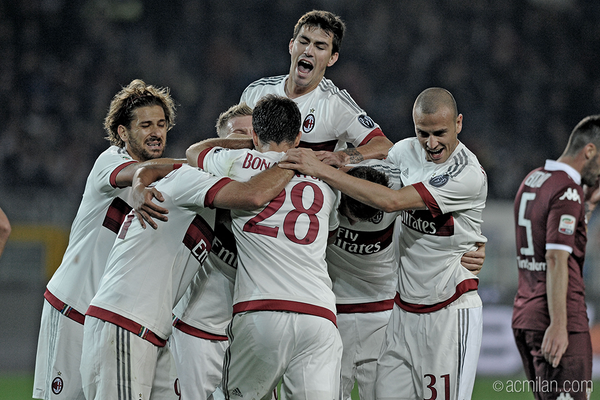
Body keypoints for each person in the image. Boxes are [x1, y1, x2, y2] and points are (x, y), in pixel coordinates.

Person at [280, 87, 488, 400]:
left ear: (458, 123)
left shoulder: (466, 174)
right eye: (423, 133)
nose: (431, 144)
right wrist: (341, 160)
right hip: (402, 314)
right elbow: (374, 174)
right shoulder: (405, 152)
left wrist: (320, 169)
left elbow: (392, 201)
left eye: (440, 133)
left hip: (447, 312)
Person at [80, 131, 295, 398]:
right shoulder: (191, 178)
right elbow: (253, 194)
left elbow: (150, 168)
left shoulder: (195, 183)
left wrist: (138, 184)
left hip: (151, 329)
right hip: (126, 320)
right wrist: (291, 160)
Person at [32, 79, 182, 400]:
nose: (156, 132)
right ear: (123, 132)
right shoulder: (109, 161)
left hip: (108, 320)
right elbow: (138, 174)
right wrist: (204, 162)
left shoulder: (164, 182)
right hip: (73, 308)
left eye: (161, 124)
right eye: (145, 125)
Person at [187, 94, 341, 400]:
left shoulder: (239, 162)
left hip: (263, 310)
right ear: (297, 138)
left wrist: (240, 143)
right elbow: (331, 235)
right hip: (320, 316)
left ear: (256, 135)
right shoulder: (325, 181)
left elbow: (195, 152)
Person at [169, 102, 254, 400]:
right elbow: (168, 167)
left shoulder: (276, 195)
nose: (248, 143)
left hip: (250, 340)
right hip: (197, 333)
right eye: (239, 136)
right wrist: (141, 183)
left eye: (254, 135)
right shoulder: (199, 183)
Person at [512, 115, 600, 400]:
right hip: (559, 322)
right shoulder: (567, 189)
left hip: (526, 315)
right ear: (590, 151)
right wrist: (560, 324)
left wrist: (587, 206)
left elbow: (554, 241)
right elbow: (555, 257)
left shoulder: (533, 179)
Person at [240, 9, 392, 167]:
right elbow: (233, 138)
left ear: (332, 58)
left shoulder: (335, 104)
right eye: (303, 42)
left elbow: (384, 145)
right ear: (291, 45)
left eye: (320, 47)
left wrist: (343, 157)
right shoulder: (255, 92)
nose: (308, 51)